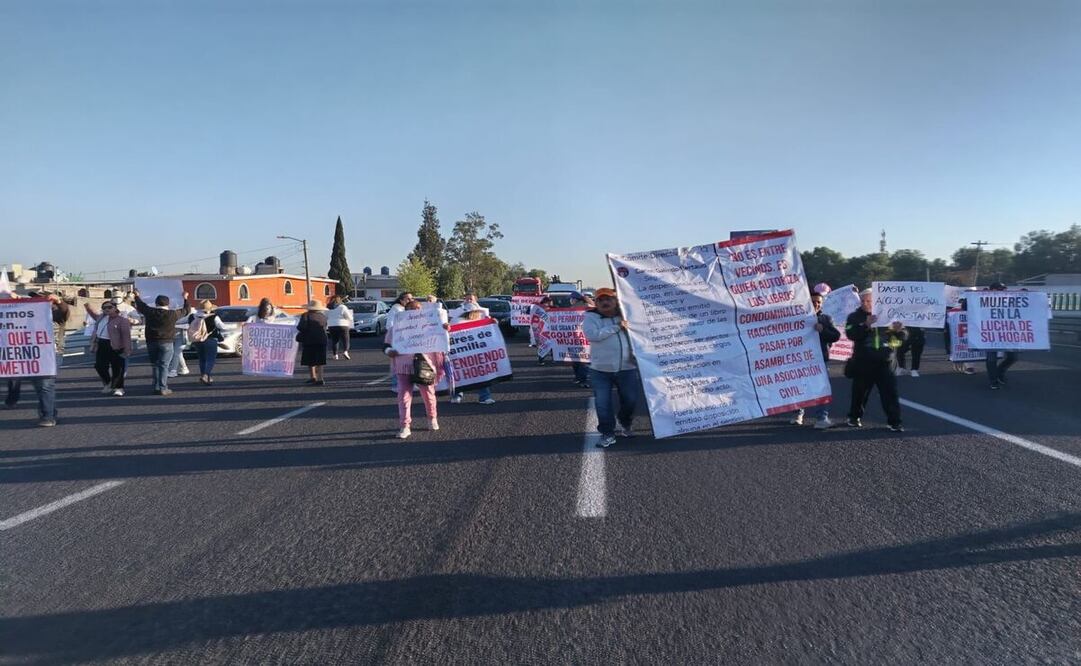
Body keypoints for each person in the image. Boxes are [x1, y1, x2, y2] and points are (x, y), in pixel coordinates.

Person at [583, 287, 639, 448]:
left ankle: (625, 422)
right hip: (600, 370)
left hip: (627, 368)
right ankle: (607, 433)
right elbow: (592, 335)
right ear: (596, 303)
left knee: (630, 400)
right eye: (600, 300)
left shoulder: (626, 316)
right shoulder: (590, 317)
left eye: (608, 299)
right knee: (603, 403)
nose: (605, 302)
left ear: (616, 301)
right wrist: (617, 327)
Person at [4, 291, 70, 425]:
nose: (36, 301)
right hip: (32, 354)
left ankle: (48, 416)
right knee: (40, 386)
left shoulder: (56, 315)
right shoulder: (29, 315)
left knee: (45, 384)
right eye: (34, 298)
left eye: (40, 298)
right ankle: (49, 411)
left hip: (52, 354)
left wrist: (59, 301)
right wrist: (14, 302)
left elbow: (64, 312)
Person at [845, 288, 906, 432]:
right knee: (860, 393)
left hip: (886, 362)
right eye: (863, 301)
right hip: (863, 362)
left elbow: (901, 338)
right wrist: (865, 325)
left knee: (890, 393)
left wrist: (899, 332)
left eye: (869, 300)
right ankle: (854, 417)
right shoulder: (854, 317)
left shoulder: (889, 315)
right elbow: (851, 334)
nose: (865, 303)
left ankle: (895, 422)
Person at [384, 299, 447, 438]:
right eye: (412, 309)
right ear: (406, 312)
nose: (416, 311)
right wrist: (389, 351)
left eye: (418, 308)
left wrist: (446, 329)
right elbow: (386, 345)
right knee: (404, 397)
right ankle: (405, 426)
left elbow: (442, 338)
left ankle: (432, 418)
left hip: (425, 364)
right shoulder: (396, 328)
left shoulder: (430, 325)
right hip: (403, 366)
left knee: (428, 394)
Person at [790, 290, 842, 428]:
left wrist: (822, 330)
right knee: (800, 388)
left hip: (820, 360)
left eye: (818, 302)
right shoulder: (796, 318)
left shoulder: (826, 319)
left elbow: (836, 336)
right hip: (799, 359)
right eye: (813, 302)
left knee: (822, 389)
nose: (816, 304)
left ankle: (822, 418)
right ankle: (797, 414)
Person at [133, 289, 191, 396]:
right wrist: (185, 298)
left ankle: (156, 386)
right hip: (166, 342)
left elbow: (140, 305)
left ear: (156, 303)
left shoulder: (150, 311)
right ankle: (163, 387)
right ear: (168, 304)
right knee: (164, 365)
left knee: (155, 365)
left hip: (151, 341)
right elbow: (187, 310)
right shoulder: (172, 314)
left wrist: (137, 295)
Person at [450, 302, 497, 405]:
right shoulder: (457, 322)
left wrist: (492, 323)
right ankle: (484, 397)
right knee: (471, 374)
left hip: (470, 352)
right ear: (473, 313)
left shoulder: (478, 321)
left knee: (468, 373)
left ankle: (458, 396)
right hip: (464, 352)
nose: (480, 314)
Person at [84, 300, 133, 396]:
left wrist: (127, 350)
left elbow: (126, 336)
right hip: (102, 344)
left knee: (117, 368)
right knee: (99, 366)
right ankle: (109, 382)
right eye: (104, 308)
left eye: (109, 307)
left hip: (116, 345)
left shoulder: (122, 320)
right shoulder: (101, 318)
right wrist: (87, 306)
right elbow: (93, 314)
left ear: (115, 308)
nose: (107, 309)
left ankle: (119, 388)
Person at [188, 300, 234, 384]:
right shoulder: (213, 317)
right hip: (210, 339)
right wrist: (235, 326)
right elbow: (223, 327)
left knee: (202, 359)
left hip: (197, 340)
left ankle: (205, 376)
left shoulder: (192, 316)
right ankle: (206, 375)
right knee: (210, 359)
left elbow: (179, 322)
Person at [983, 282, 1020, 390]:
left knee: (1013, 357)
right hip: (990, 333)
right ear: (992, 290)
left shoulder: (1008, 301)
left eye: (1003, 289)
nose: (1003, 291)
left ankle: (999, 372)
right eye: (1000, 289)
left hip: (1007, 333)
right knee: (991, 359)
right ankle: (993, 381)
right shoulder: (982, 300)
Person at [386, 292, 414, 392]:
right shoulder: (396, 309)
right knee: (397, 362)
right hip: (398, 339)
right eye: (408, 299)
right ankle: (395, 384)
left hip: (408, 340)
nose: (410, 300)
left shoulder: (409, 309)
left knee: (409, 362)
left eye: (411, 298)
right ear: (401, 300)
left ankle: (410, 383)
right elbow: (390, 325)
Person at [296, 299, 329, 385]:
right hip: (322, 339)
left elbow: (301, 327)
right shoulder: (323, 316)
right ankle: (320, 378)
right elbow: (325, 326)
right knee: (320, 360)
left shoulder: (306, 315)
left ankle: (313, 377)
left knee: (310, 360)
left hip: (309, 340)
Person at [327, 295, 354, 360]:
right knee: (345, 339)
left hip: (331, 325)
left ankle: (335, 355)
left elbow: (326, 316)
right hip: (343, 324)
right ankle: (345, 351)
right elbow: (349, 317)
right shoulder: (342, 307)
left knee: (335, 340)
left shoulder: (328, 308)